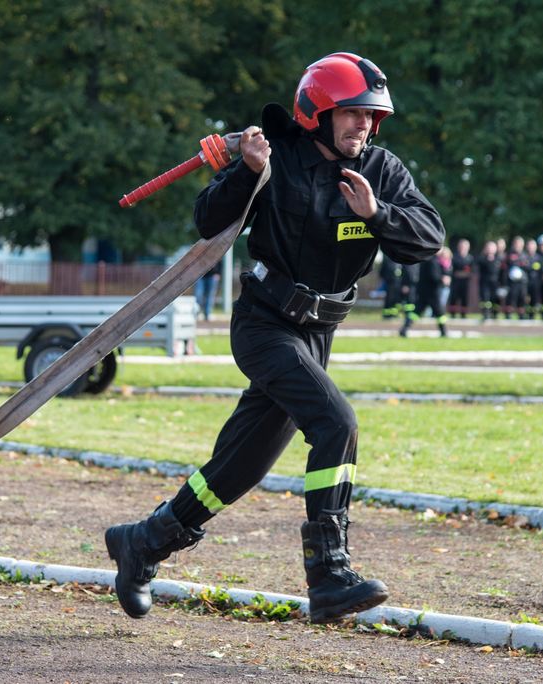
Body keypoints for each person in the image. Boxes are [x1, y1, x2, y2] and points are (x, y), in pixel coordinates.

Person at [104, 53, 445, 623]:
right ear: (318, 112)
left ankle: (144, 542)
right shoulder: (274, 159)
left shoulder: (380, 171)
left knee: (241, 467)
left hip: (318, 334)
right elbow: (209, 221)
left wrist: (378, 213)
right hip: (265, 325)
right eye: (353, 114)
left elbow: (429, 238)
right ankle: (329, 573)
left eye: (372, 117)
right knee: (336, 423)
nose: (364, 126)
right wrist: (243, 172)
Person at [400, 246, 450, 337]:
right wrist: (442, 279)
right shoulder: (433, 261)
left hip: (423, 291)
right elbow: (434, 276)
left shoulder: (426, 259)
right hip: (432, 292)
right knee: (440, 313)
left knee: (416, 312)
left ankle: (404, 329)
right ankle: (444, 332)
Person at [447, 238, 473, 317]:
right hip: (455, 282)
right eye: (461, 246)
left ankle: (463, 315)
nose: (463, 248)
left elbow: (471, 272)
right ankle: (452, 314)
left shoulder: (470, 258)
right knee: (454, 298)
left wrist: (462, 274)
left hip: (465, 282)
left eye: (465, 246)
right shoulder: (454, 257)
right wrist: (461, 273)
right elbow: (452, 270)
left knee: (464, 298)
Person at [477, 239, 502, 320]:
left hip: (496, 282)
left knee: (495, 299)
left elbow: (502, 272)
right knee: (485, 299)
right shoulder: (481, 258)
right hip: (484, 282)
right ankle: (486, 314)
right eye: (488, 247)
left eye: (492, 247)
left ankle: (495, 314)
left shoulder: (499, 258)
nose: (490, 249)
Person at [379, 253, 404, 319]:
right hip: (390, 283)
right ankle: (386, 315)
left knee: (396, 299)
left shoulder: (400, 261)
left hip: (398, 283)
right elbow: (383, 271)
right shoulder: (387, 259)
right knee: (389, 299)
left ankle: (394, 314)